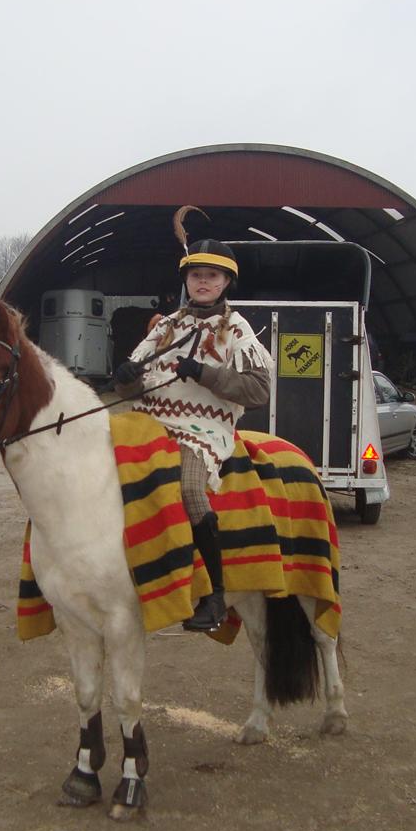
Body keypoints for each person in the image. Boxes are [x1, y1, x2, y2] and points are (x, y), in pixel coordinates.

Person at [113, 238, 273, 631]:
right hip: (149, 419)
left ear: (225, 282)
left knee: (188, 488)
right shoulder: (167, 326)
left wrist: (204, 373)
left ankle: (215, 596)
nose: (203, 282)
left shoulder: (237, 329)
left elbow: (259, 390)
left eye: (211, 276)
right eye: (196, 275)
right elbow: (132, 383)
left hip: (202, 427)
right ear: (187, 280)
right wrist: (125, 379)